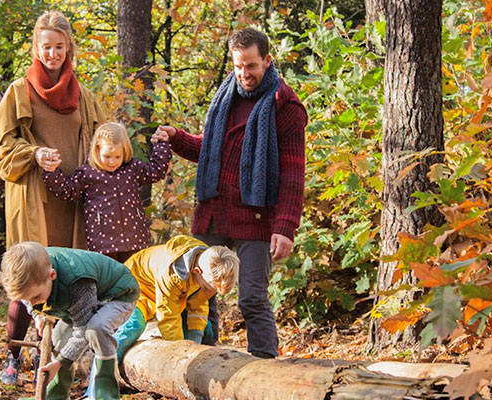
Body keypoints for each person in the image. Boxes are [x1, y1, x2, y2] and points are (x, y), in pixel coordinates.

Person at [157, 27, 307, 359]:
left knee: (252, 296)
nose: (244, 74)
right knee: (198, 292)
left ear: (267, 61)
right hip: (215, 209)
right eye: (239, 66)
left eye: (251, 66)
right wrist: (177, 137)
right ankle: (203, 362)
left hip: (256, 215)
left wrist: (285, 227)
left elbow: (294, 172)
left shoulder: (286, 106)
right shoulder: (226, 94)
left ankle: (264, 371)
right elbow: (210, 149)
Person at [0, 10, 109, 384]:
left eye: (59, 47)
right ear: (36, 48)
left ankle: (58, 362)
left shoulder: (84, 96)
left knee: (68, 276)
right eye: (46, 47)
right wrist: (34, 155)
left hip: (74, 201)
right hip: (33, 197)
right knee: (27, 271)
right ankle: (12, 356)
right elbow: (0, 146)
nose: (53, 54)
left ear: (69, 49)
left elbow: (105, 139)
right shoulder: (19, 91)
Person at [83, 234, 238, 397]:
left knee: (204, 327)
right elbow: (168, 316)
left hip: (169, 297)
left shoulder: (206, 267)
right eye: (208, 287)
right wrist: (179, 352)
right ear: (196, 271)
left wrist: (193, 347)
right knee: (132, 327)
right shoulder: (171, 271)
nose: (208, 292)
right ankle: (96, 387)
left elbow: (198, 306)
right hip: (133, 289)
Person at [0, 242, 139, 400]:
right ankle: (56, 395)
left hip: (117, 295)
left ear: (52, 275)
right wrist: (37, 315)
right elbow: (26, 300)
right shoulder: (33, 276)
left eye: (36, 297)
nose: (32, 302)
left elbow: (82, 332)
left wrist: (59, 362)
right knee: (59, 339)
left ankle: (106, 393)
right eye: (26, 299)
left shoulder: (77, 283)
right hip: (80, 303)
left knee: (96, 329)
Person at [38, 122, 172, 262]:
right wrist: (51, 170)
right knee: (108, 279)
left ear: (124, 152)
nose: (112, 162)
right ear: (97, 150)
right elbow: (67, 190)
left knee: (134, 278)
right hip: (103, 242)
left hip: (135, 238)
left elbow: (155, 172)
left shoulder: (132, 168)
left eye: (117, 157)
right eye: (107, 156)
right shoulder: (88, 173)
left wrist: (161, 144)